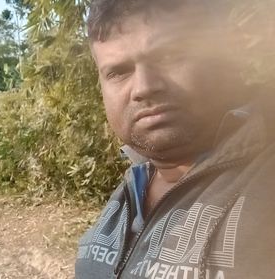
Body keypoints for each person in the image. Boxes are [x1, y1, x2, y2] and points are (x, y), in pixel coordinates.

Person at [76, 1, 275, 278]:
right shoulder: (134, 183)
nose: (144, 87)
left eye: (169, 56)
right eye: (119, 71)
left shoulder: (264, 181)